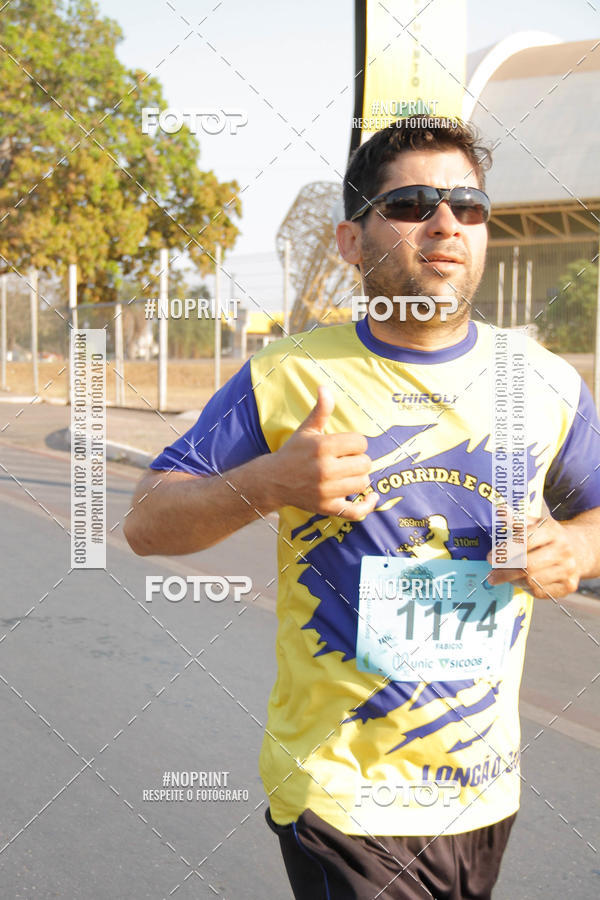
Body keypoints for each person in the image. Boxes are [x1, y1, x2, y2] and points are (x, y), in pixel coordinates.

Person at [124, 120, 600, 899]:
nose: (447, 223)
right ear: (351, 241)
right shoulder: (287, 377)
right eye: (413, 202)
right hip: (341, 795)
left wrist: (575, 552)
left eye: (468, 205)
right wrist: (271, 482)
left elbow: (597, 517)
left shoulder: (545, 383)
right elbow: (145, 521)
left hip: (483, 788)